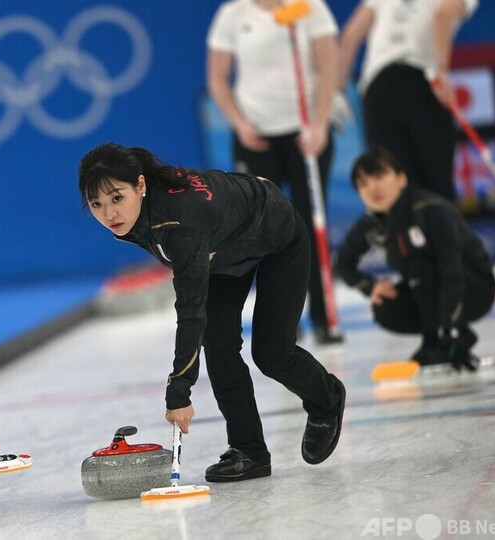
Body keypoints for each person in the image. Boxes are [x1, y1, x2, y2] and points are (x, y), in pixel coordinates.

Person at [78, 143, 346, 482]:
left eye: (117, 198)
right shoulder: (148, 214)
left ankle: (326, 400)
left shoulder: (180, 224)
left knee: (271, 353)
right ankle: (249, 450)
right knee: (218, 346)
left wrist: (179, 392)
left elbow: (191, 312)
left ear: (141, 186)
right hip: (225, 251)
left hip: (277, 236)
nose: (109, 214)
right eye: (96, 204)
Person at [206, 0, 344, 344]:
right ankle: (283, 322)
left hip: (306, 134)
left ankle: (324, 317)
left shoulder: (311, 8)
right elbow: (218, 79)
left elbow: (330, 69)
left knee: (311, 224)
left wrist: (321, 125)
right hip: (256, 136)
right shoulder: (233, 15)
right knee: (266, 230)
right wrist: (239, 124)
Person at [335, 148, 495, 369]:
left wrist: (450, 326)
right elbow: (343, 265)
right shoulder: (370, 224)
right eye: (363, 184)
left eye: (379, 176)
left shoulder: (432, 210)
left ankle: (438, 341)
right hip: (430, 289)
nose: (373, 188)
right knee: (385, 305)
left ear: (401, 179)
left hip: (474, 287)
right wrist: (371, 287)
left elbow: (452, 270)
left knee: (420, 267)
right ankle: (443, 338)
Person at [338, 0, 479, 202]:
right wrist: (441, 71)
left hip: (378, 91)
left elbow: (350, 36)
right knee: (437, 192)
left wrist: (338, 92)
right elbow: (442, 15)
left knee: (393, 193)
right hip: (422, 82)